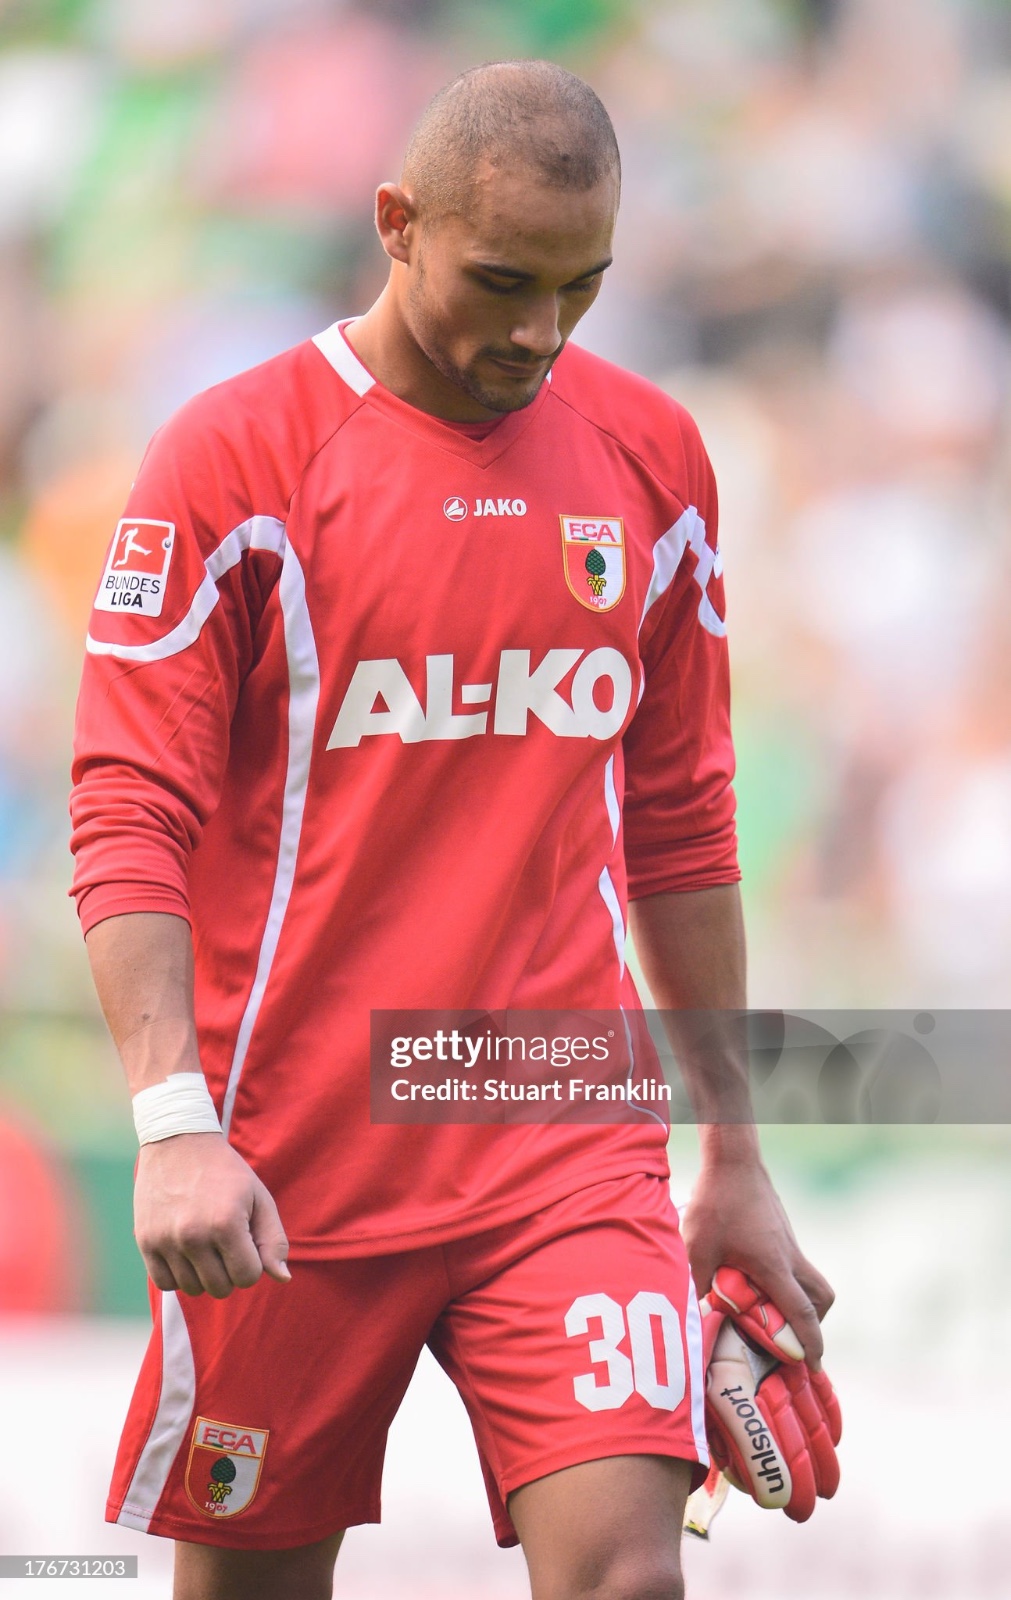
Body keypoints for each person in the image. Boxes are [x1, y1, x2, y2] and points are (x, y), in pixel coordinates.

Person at [70, 60, 833, 1600]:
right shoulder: (236, 462)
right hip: (289, 1156)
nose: (540, 333)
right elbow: (127, 808)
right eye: (504, 281)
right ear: (394, 223)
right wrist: (173, 1125)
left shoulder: (653, 463)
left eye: (583, 287)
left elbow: (680, 820)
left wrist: (734, 1153)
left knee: (631, 1576)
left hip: (561, 1118)